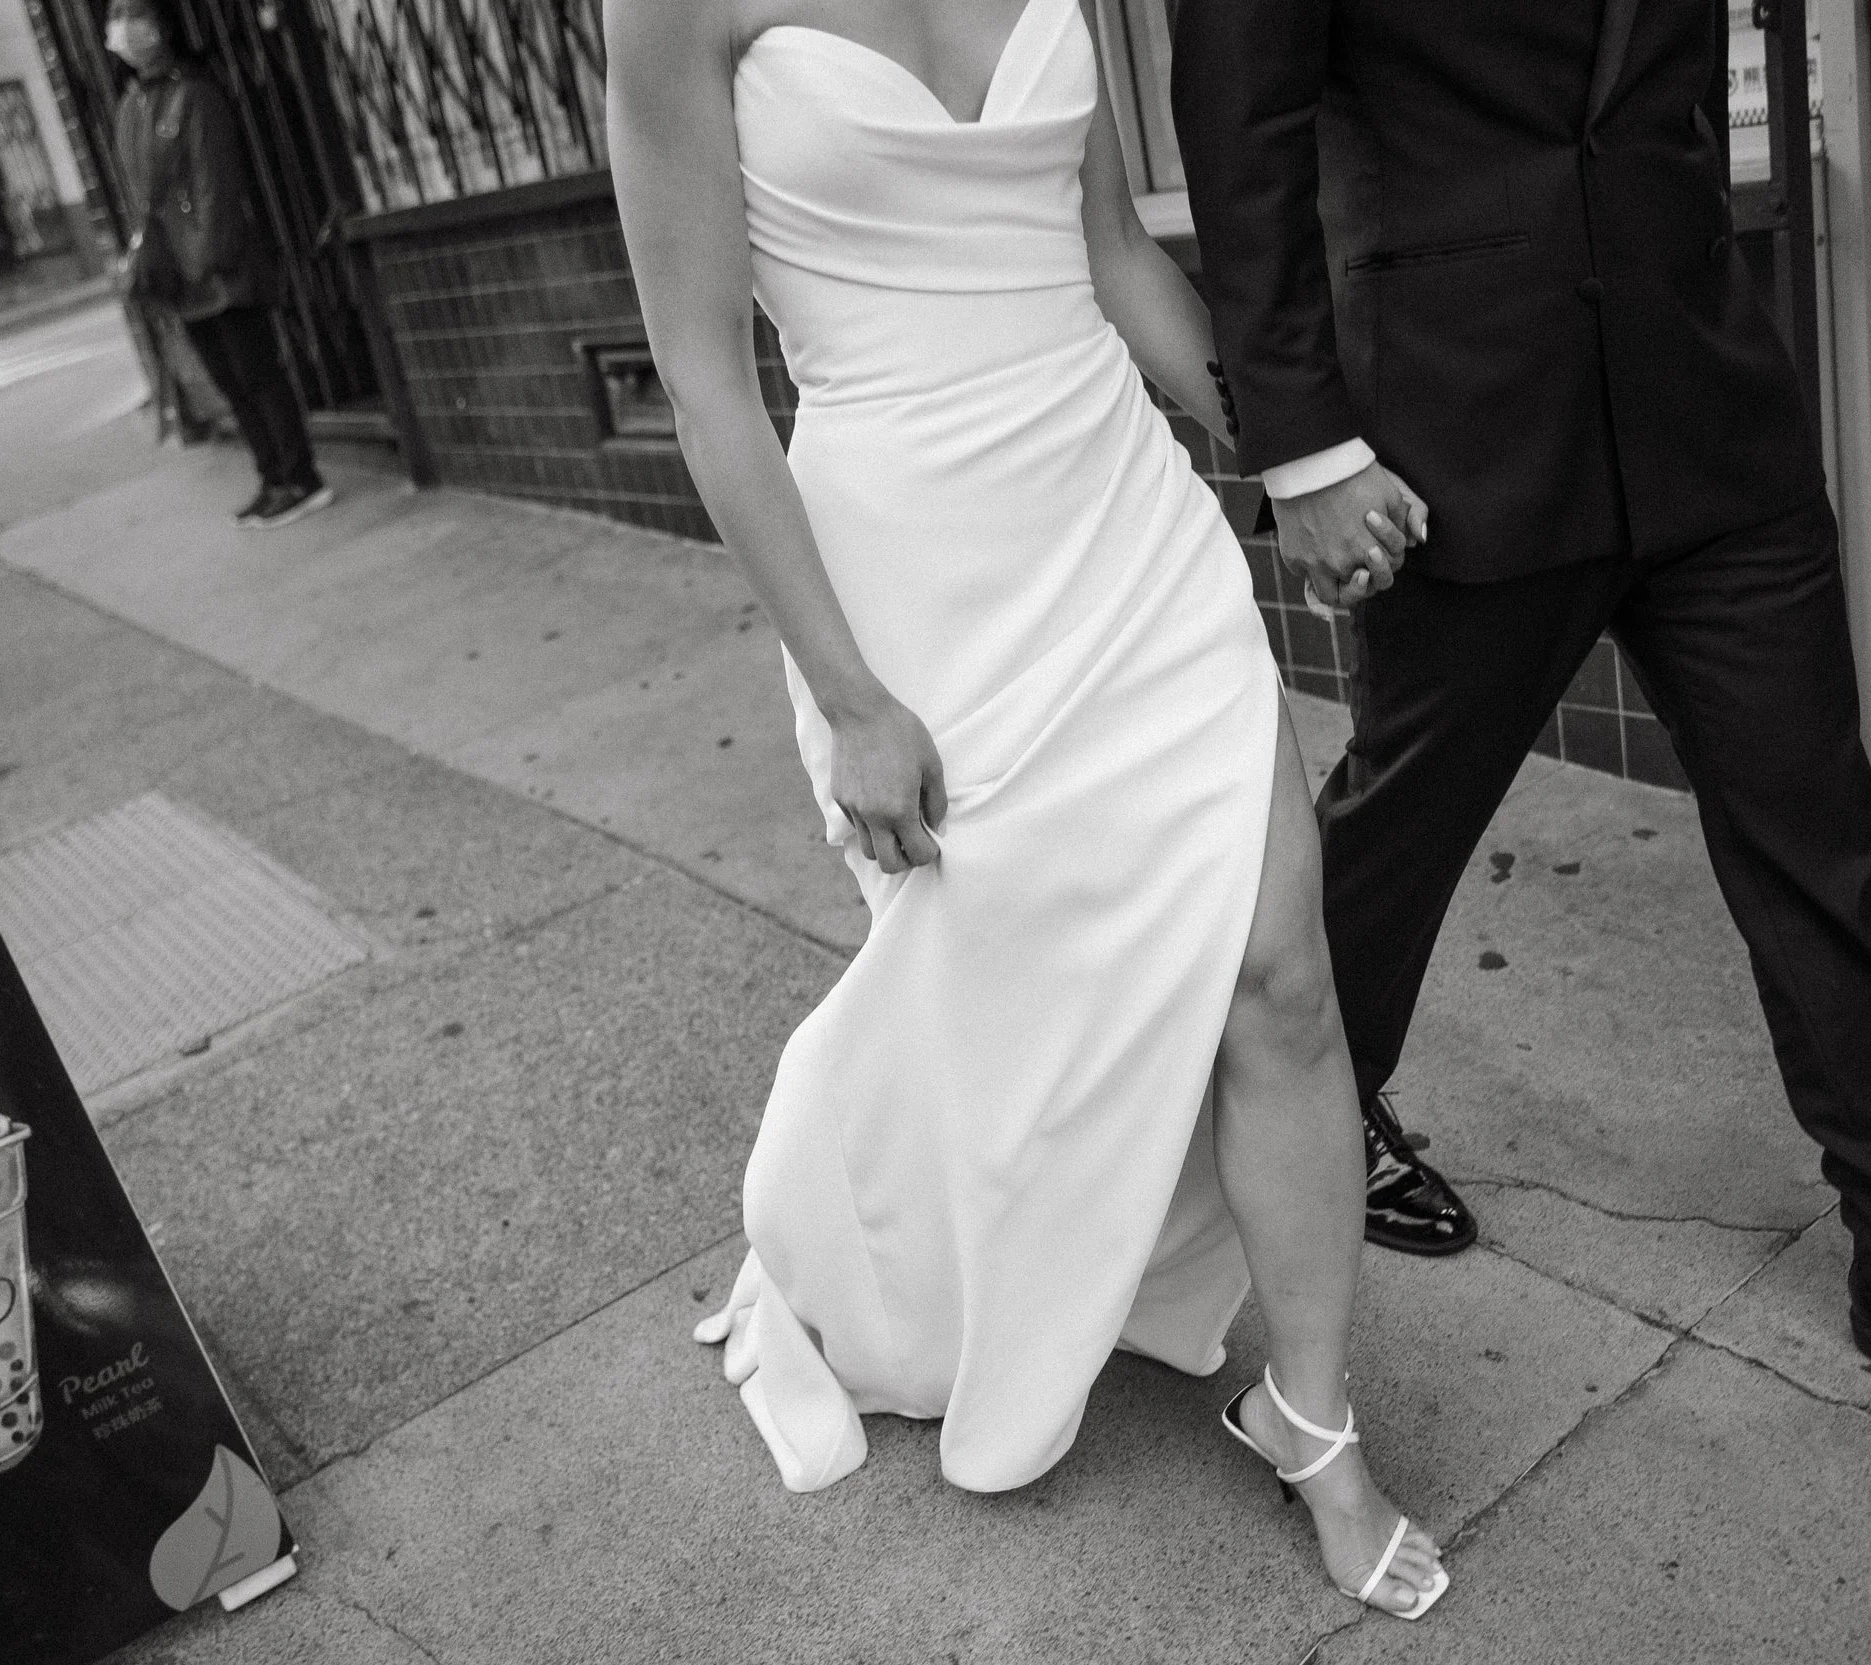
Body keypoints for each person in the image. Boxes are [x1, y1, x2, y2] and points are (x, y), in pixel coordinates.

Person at [1171, 0, 1871, 1416]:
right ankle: (1311, 1099)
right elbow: (1238, 140)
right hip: (1460, 428)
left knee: (1818, 847)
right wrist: (1305, 451)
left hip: (1710, 420)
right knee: (1408, 810)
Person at [609, 0, 1446, 1620]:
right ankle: (852, 1230)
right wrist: (853, 697)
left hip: (1126, 533)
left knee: (1281, 980)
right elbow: (706, 384)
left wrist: (1297, 459)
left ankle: (1315, 1422)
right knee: (999, 1007)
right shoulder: (672, 13)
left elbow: (1114, 254)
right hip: (914, 589)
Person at [105, 0, 333, 530]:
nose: (123, 29)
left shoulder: (194, 95)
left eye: (135, 16)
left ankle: (301, 478)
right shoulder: (132, 105)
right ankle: (272, 477)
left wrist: (208, 257)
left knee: (258, 373)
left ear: (161, 27)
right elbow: (139, 197)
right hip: (178, 273)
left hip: (217, 266)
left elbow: (216, 186)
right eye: (115, 18)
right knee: (230, 381)